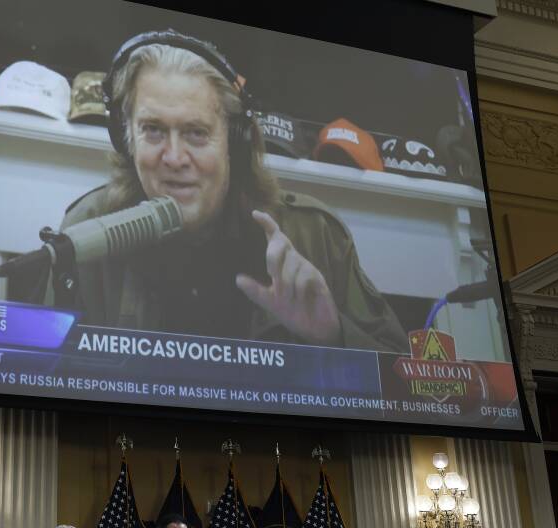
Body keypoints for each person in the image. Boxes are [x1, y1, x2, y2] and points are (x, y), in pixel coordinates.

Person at [53, 29, 408, 353]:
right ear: (127, 138)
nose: (174, 158)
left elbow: (403, 387)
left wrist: (334, 336)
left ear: (234, 144)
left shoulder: (315, 237)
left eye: (196, 132)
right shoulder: (86, 232)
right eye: (153, 130)